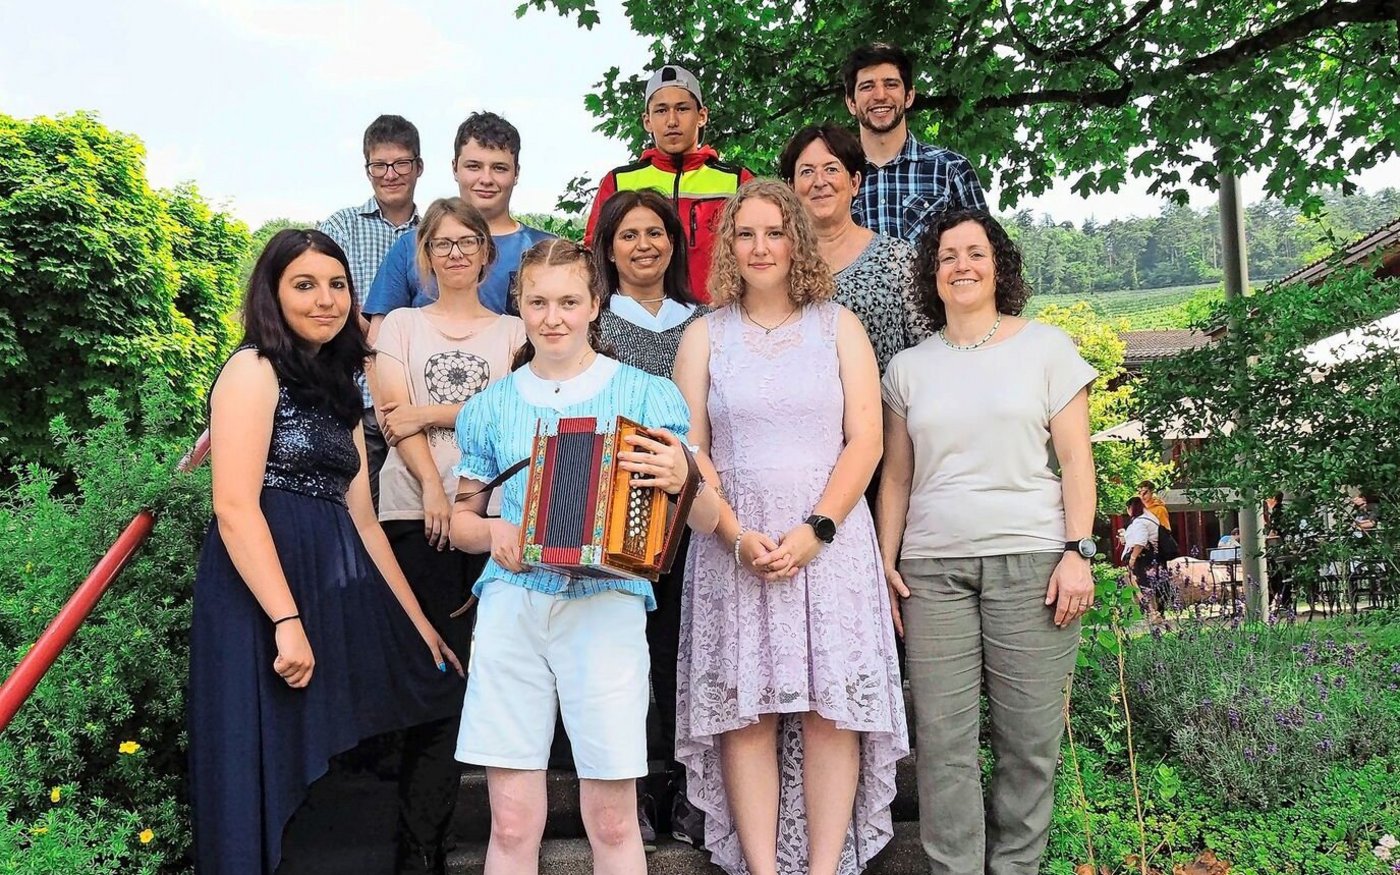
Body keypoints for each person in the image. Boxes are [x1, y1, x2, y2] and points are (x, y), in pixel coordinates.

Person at [187, 229, 463, 875]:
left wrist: (419, 625)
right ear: (272, 294)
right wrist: (285, 620)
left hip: (333, 587)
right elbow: (234, 506)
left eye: (337, 285)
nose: (325, 299)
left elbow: (364, 520)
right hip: (261, 596)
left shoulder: (339, 383)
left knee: (438, 688)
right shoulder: (252, 369)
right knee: (268, 744)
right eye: (305, 285)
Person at [448, 239, 724, 875]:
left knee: (614, 821)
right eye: (538, 302)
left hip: (607, 605)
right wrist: (493, 533)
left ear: (596, 303)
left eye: (569, 302)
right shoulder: (490, 407)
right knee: (510, 823)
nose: (553, 318)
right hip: (514, 605)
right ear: (519, 304)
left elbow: (707, 520)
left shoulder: (648, 395)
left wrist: (683, 476)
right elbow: (461, 522)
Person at [673, 180, 908, 875]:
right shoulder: (704, 335)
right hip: (734, 544)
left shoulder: (840, 326)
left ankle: (824, 868)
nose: (760, 247)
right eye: (745, 234)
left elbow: (866, 439)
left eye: (774, 232)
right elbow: (692, 449)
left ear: (796, 241)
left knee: (830, 710)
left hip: (829, 544)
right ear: (729, 246)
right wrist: (735, 535)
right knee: (746, 711)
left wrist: (817, 528)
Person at [877, 209, 1096, 875]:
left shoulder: (1047, 349)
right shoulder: (908, 368)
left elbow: (1077, 462)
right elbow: (896, 476)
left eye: (975, 252)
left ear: (999, 265)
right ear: (931, 274)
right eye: (947, 256)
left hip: (1033, 562)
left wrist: (1078, 552)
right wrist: (883, 563)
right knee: (943, 745)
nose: (961, 265)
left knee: (1029, 741)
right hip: (931, 570)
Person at [370, 198, 527, 872]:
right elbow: (389, 415)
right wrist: (434, 487)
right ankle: (420, 848)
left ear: (487, 253)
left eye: (469, 241)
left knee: (493, 677)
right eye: (443, 243)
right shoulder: (401, 325)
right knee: (436, 679)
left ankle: (498, 835)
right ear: (426, 254)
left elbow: (516, 412)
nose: (456, 252)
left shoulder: (515, 330)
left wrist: (431, 411)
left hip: (495, 520)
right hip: (414, 514)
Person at [592, 189, 708, 847]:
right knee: (621, 656)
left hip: (691, 512)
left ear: (673, 243)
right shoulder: (593, 323)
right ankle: (629, 789)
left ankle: (690, 787)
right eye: (629, 235)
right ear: (608, 249)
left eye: (655, 233)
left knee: (682, 653)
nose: (644, 245)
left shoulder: (706, 322)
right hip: (617, 514)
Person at [319, 114, 425, 507]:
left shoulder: (435, 232)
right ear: (367, 169)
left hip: (420, 399)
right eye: (379, 165)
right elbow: (324, 296)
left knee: (417, 515)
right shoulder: (341, 226)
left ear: (419, 166)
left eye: (401, 164)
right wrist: (375, 336)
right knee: (359, 511)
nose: (390, 174)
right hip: (356, 396)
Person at [584, 63, 755, 302]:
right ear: (647, 120)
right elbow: (594, 253)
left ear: (702, 116)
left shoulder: (738, 181)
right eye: (661, 110)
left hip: (720, 313)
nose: (672, 120)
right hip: (638, 315)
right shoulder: (618, 181)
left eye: (682, 109)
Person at [366, 111, 555, 322]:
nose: (486, 179)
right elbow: (380, 333)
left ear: (516, 173)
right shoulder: (411, 246)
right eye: (473, 166)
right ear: (455, 168)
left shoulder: (545, 249)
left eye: (499, 168)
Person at [779, 122, 928, 372]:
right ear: (791, 187)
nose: (819, 181)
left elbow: (927, 350)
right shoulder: (777, 264)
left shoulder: (898, 258)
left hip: (886, 398)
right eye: (806, 172)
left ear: (854, 182)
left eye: (831, 169)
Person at [841, 43, 988, 242]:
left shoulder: (951, 170)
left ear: (909, 96)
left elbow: (985, 249)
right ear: (851, 102)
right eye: (867, 86)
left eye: (891, 84)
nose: (880, 95)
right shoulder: (833, 177)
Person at [1123, 497, 1165, 621]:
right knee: (1152, 584)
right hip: (1153, 556)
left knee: (1141, 585)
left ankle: (1152, 612)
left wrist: (1132, 558)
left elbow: (1140, 542)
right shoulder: (1151, 518)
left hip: (1143, 558)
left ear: (1130, 508)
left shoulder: (1140, 522)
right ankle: (1156, 612)